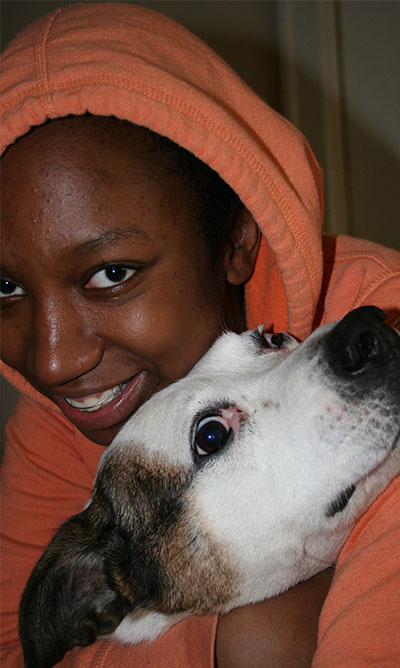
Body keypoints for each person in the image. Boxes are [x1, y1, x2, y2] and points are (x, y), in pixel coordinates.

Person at [1, 3, 399, 667]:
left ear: (237, 240)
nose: (53, 360)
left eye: (113, 272)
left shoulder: (378, 305)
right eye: (2, 287)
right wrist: (224, 641)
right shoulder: (80, 409)